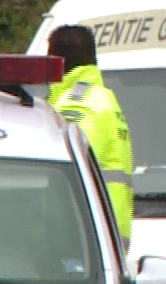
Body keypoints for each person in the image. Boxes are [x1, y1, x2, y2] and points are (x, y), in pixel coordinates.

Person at [47, 25, 135, 243]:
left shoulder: (75, 105)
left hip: (80, 234)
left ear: (56, 61)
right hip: (108, 232)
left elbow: (62, 176)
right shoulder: (104, 99)